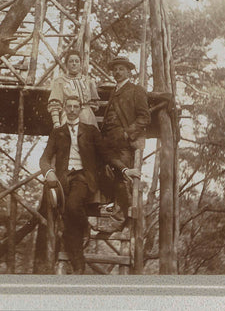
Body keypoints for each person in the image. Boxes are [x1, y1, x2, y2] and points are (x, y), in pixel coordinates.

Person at [40, 95, 140, 274]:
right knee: (69, 223)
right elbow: (44, 158)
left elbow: (107, 155)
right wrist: (49, 173)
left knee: (71, 207)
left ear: (80, 109)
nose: (71, 110)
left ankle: (85, 227)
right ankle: (79, 265)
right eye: (68, 106)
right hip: (63, 181)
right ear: (64, 108)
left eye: (75, 107)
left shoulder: (91, 131)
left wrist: (125, 170)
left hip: (84, 178)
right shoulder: (57, 132)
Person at [101, 56, 151, 224]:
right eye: (115, 69)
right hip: (109, 141)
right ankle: (108, 206)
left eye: (121, 69)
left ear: (129, 72)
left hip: (124, 142)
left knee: (122, 177)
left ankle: (119, 219)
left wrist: (126, 134)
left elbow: (144, 117)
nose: (117, 72)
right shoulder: (113, 92)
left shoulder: (136, 90)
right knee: (104, 172)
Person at [47, 49, 100, 129]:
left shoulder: (88, 81)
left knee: (88, 138)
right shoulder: (60, 81)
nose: (74, 64)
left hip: (87, 117)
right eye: (71, 61)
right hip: (69, 115)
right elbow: (54, 104)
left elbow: (94, 104)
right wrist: (56, 123)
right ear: (66, 64)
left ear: (81, 64)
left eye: (77, 61)